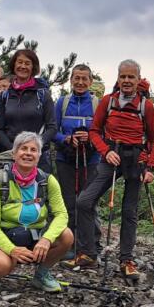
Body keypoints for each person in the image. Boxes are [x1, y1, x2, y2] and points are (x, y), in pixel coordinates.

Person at [72, 59, 154, 281]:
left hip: (136, 160)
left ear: (138, 79)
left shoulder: (145, 106)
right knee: (84, 201)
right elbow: (94, 131)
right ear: (118, 78)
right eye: (123, 77)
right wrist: (105, 151)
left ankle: (126, 260)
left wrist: (150, 167)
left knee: (129, 211)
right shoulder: (107, 102)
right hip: (111, 157)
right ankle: (88, 253)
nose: (127, 81)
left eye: (131, 77)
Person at [0, 132, 73, 294]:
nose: (28, 153)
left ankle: (41, 274)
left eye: (33, 149)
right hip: (5, 235)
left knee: (67, 235)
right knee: (2, 266)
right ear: (14, 154)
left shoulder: (47, 181)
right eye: (23, 149)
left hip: (36, 235)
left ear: (39, 155)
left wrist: (46, 239)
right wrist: (12, 250)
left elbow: (61, 215)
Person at [53, 64, 101, 259]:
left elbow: (103, 133)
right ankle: (71, 245)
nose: (80, 82)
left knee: (88, 202)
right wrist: (66, 138)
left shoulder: (98, 104)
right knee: (69, 202)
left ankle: (91, 244)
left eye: (84, 79)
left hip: (92, 160)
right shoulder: (62, 103)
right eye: (76, 78)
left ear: (90, 82)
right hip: (66, 158)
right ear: (70, 80)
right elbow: (52, 130)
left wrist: (90, 138)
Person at [0, 49, 57, 172]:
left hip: (38, 157)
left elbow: (52, 127)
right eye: (20, 62)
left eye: (27, 63)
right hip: (10, 155)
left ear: (33, 67)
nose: (23, 66)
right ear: (14, 64)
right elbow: (0, 129)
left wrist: (34, 147)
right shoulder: (4, 96)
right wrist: (14, 149)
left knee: (38, 190)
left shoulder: (43, 94)